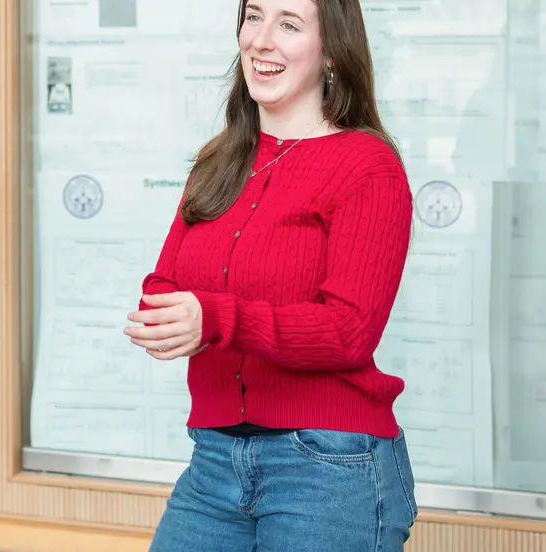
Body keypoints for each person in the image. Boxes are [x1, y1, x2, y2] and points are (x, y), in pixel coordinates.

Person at [123, 0, 417, 549]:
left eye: (289, 24)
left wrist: (213, 317)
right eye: (253, 16)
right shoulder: (220, 158)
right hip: (214, 458)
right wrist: (169, 315)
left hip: (328, 464)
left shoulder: (367, 167)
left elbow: (349, 333)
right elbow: (164, 281)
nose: (261, 39)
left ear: (331, 50)